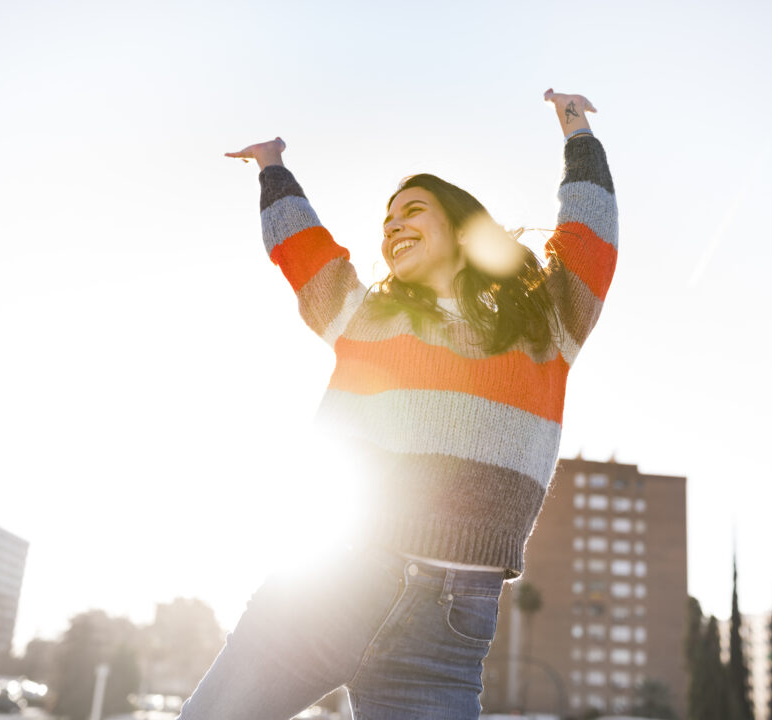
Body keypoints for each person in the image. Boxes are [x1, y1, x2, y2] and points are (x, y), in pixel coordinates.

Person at [178, 88, 617, 720]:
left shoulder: (547, 331)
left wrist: (576, 130)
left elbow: (589, 240)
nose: (392, 227)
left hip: (445, 628)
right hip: (327, 590)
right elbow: (304, 251)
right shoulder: (363, 319)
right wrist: (273, 167)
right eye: (386, 221)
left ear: (462, 229)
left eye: (412, 210)